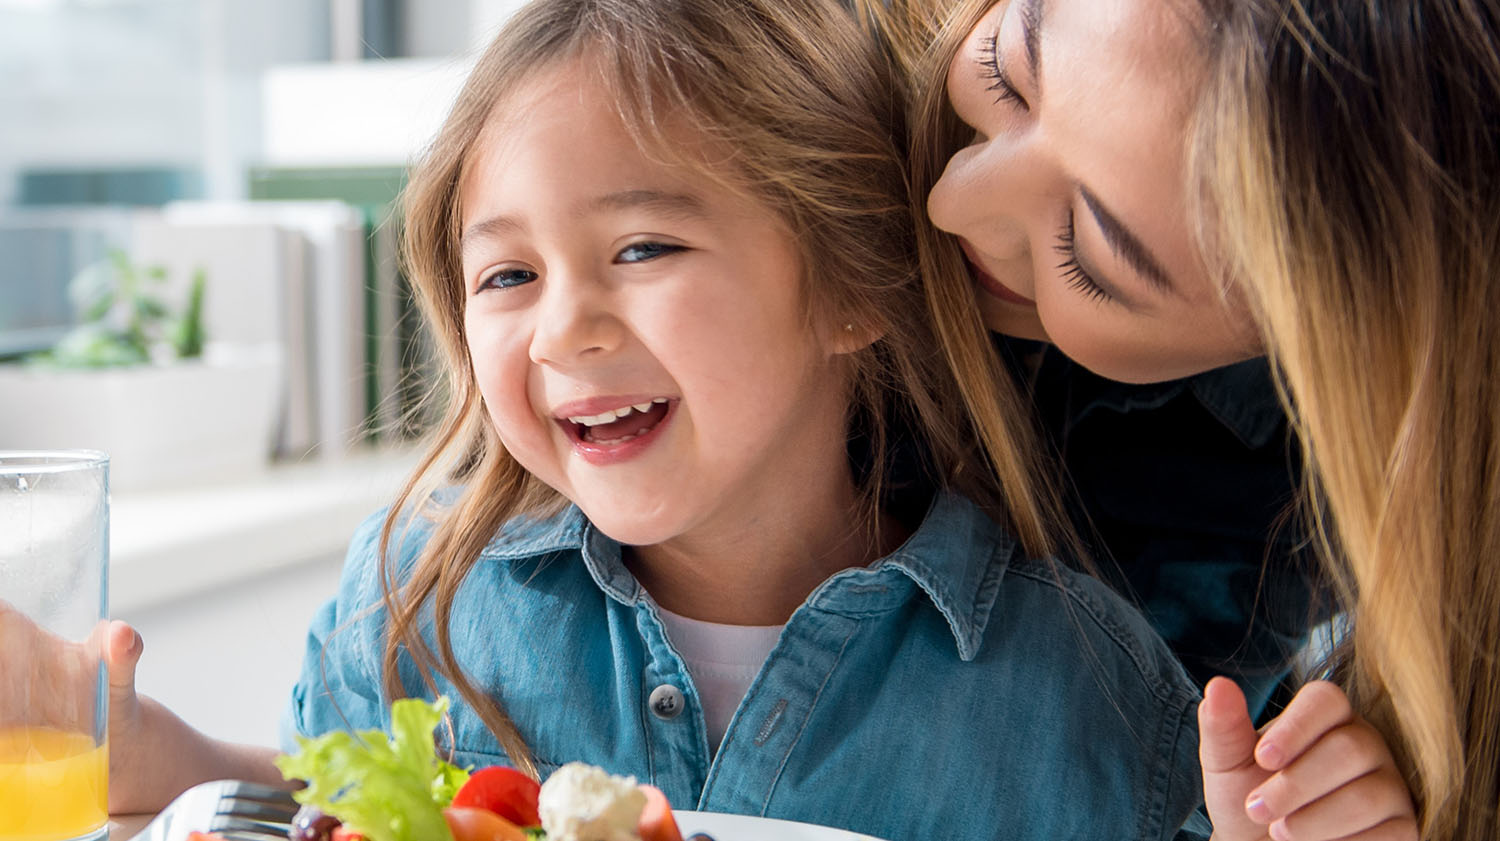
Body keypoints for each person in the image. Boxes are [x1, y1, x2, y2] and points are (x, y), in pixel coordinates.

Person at [72, 0, 1416, 839]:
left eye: (644, 248)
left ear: (848, 288)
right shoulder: (411, 609)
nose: (562, 331)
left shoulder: (1081, 694)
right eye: (507, 275)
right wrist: (139, 756)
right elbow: (314, 809)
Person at [876, 0, 1495, 836]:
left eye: (1086, 256)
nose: (951, 201)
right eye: (1007, 73)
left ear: (1289, 347)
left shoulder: (1285, 518)